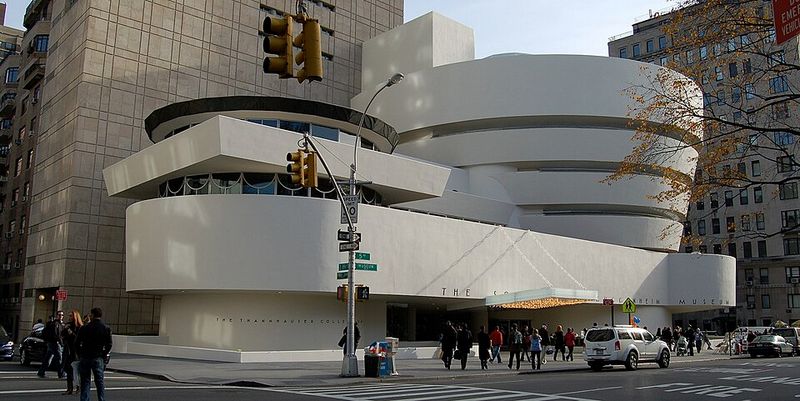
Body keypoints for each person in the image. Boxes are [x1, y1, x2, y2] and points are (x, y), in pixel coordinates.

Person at [76, 307, 112, 401]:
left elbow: (76, 343)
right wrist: (104, 354)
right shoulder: (105, 328)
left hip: (85, 356)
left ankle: (84, 399)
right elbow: (109, 344)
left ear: (92, 315)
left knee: (85, 381)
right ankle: (101, 398)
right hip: (98, 356)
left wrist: (79, 354)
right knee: (99, 381)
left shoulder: (84, 328)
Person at [38, 310, 65, 378]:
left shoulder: (59, 323)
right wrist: (61, 342)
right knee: (59, 358)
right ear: (56, 316)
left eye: (62, 315)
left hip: (51, 343)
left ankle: (41, 371)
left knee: (48, 358)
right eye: (59, 315)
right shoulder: (55, 324)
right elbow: (56, 335)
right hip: (55, 343)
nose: (61, 316)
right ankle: (61, 373)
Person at [62, 310, 84, 395]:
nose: (69, 317)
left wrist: (70, 332)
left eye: (71, 316)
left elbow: (78, 339)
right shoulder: (68, 325)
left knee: (75, 370)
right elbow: (63, 335)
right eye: (69, 316)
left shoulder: (79, 328)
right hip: (68, 350)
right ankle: (69, 388)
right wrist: (65, 329)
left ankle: (78, 387)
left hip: (76, 351)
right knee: (68, 369)